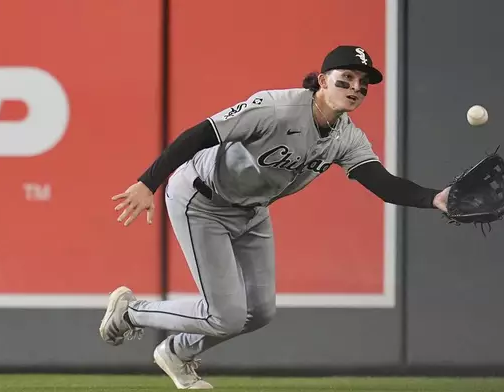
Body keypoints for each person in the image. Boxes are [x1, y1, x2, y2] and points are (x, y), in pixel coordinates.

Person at [99, 45, 450, 389]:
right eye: (346, 79)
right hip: (202, 199)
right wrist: (148, 183)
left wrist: (434, 198)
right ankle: (131, 312)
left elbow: (383, 184)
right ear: (322, 82)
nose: (355, 88)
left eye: (363, 83)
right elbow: (202, 133)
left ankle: (176, 352)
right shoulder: (276, 107)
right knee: (225, 316)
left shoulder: (347, 138)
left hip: (252, 210)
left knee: (260, 312)